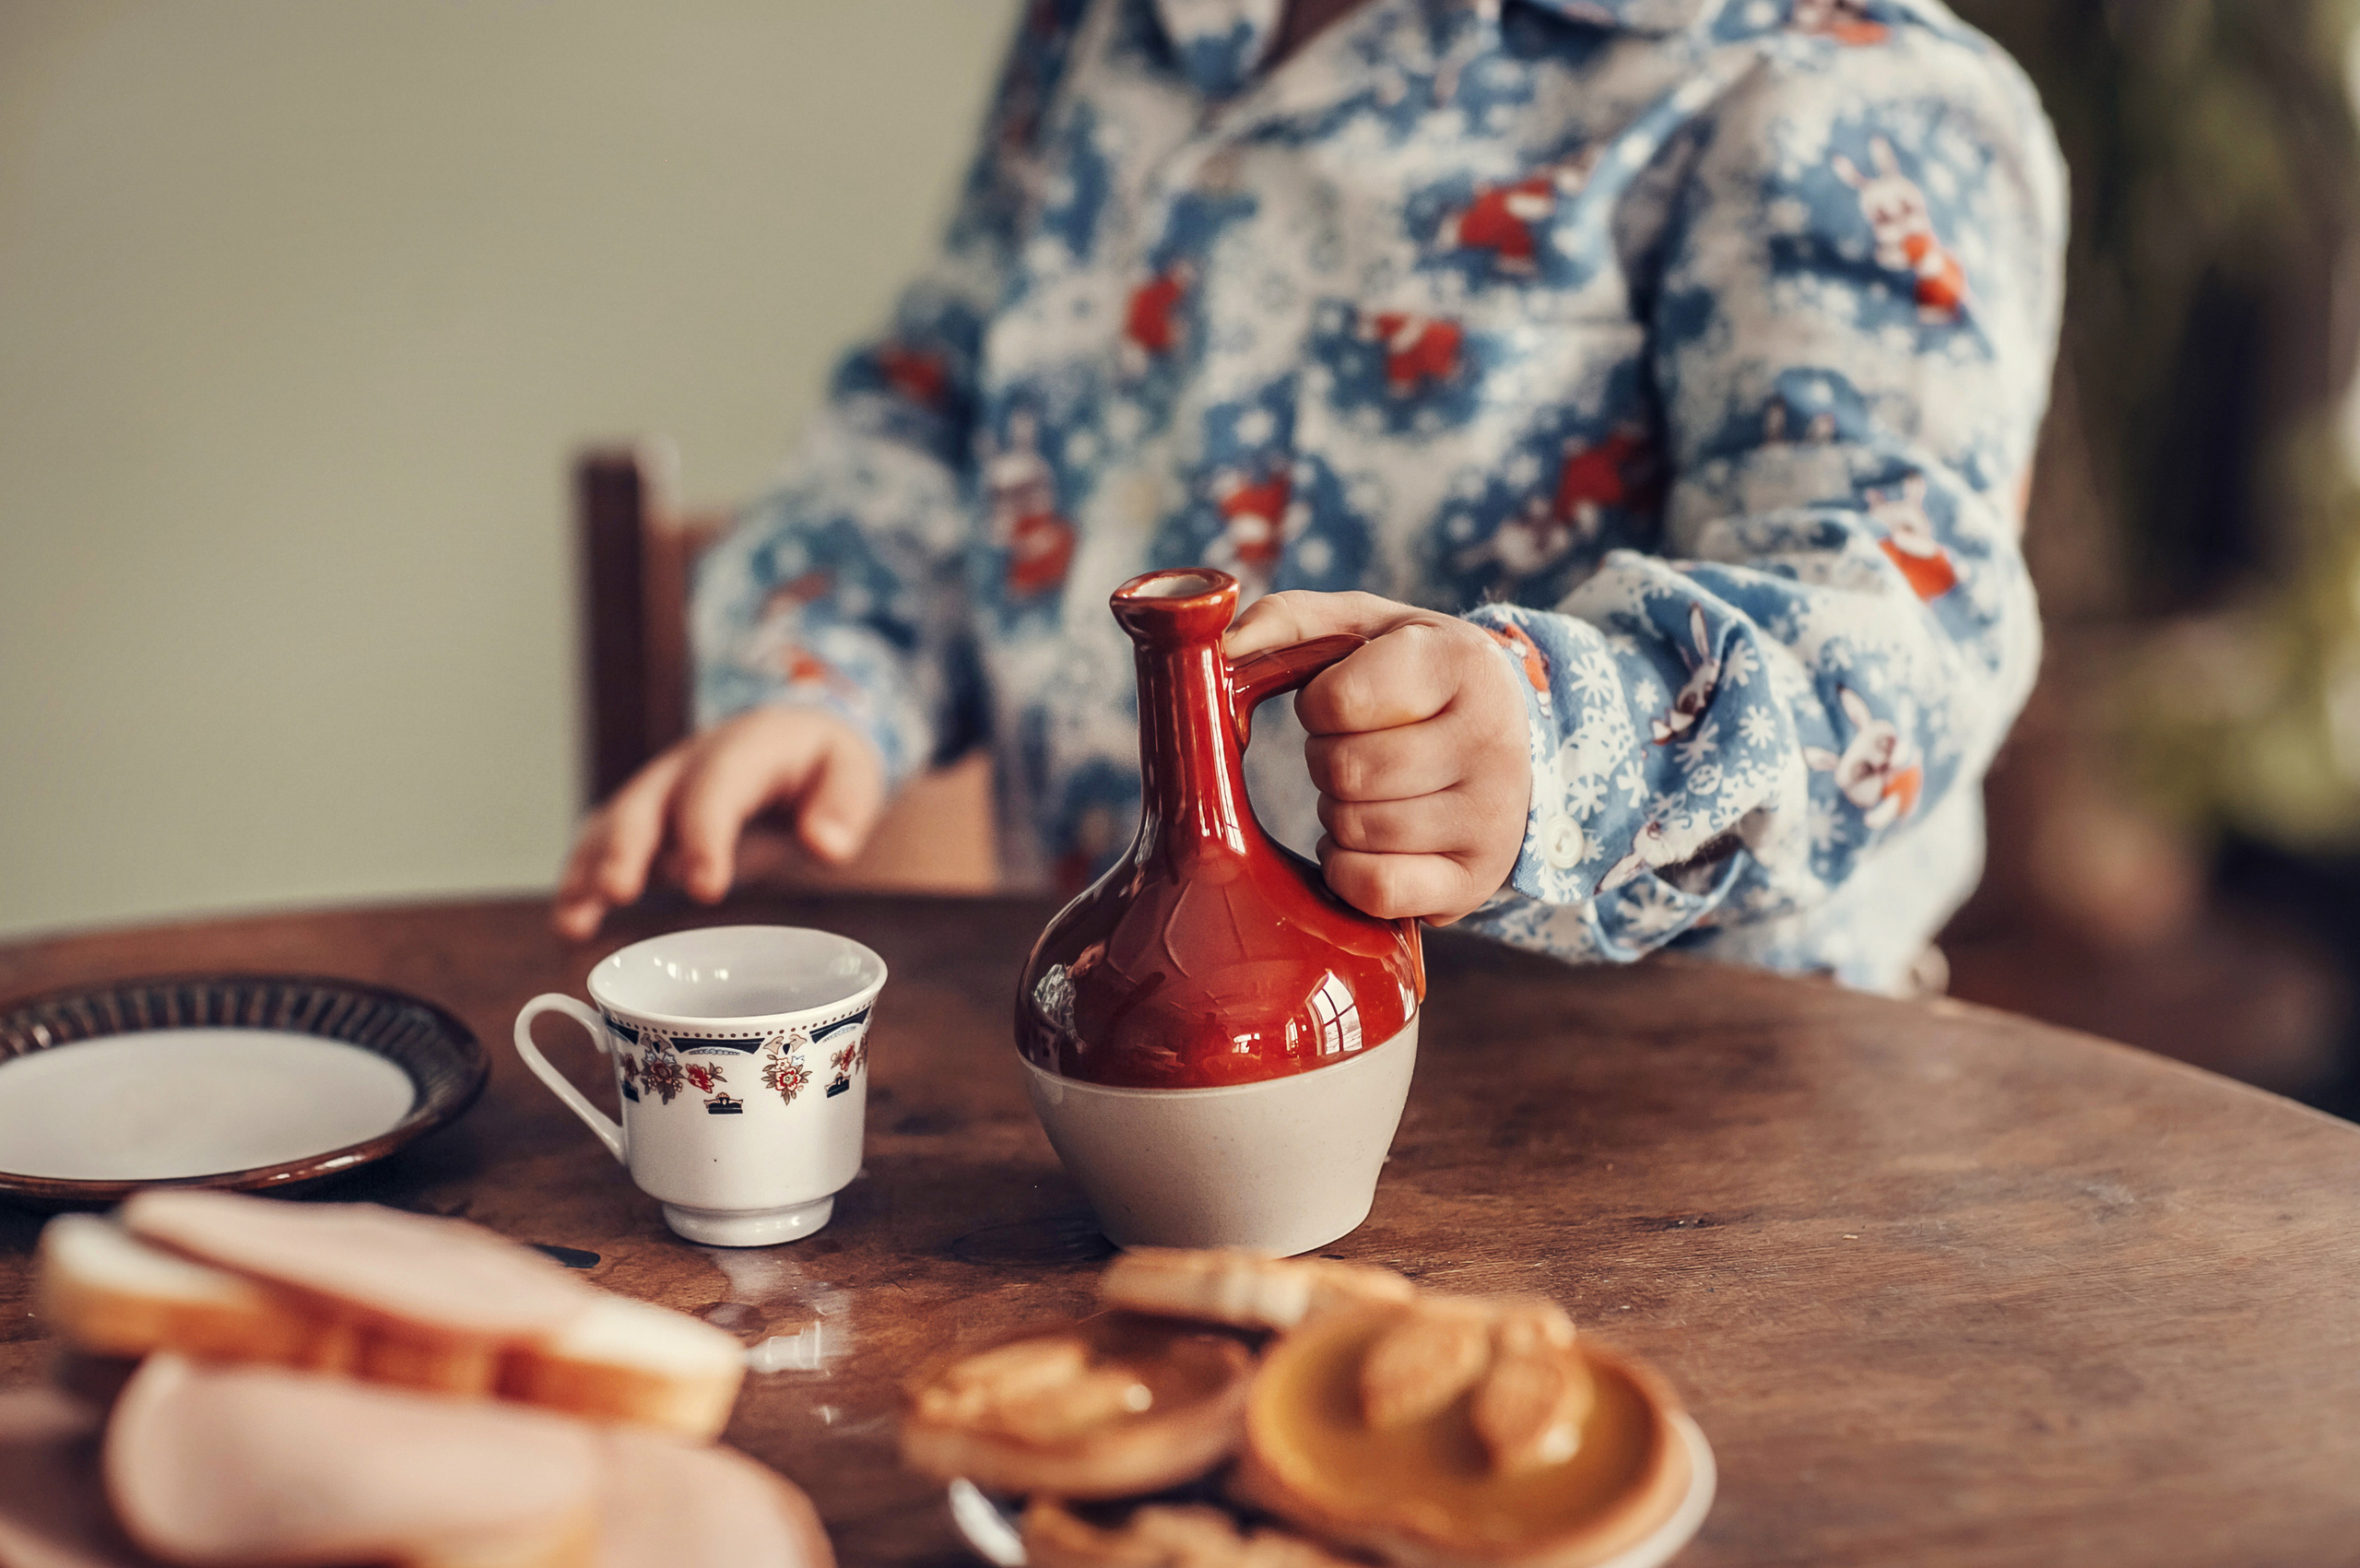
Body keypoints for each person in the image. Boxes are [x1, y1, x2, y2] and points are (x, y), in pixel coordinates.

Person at [555, 0, 2063, 996]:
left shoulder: (1824, 80)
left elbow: (1895, 614)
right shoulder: (1110, 38)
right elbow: (938, 407)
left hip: (1656, 1133)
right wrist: (830, 677)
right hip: (1144, 1054)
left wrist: (1552, 743)